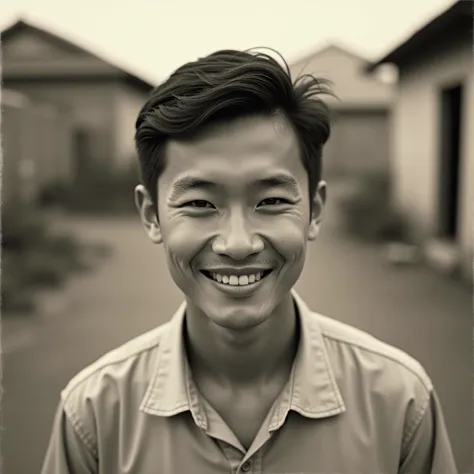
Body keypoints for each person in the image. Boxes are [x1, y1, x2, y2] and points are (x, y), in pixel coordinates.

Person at [42, 48, 457, 474]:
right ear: (152, 215)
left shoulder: (400, 403)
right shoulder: (94, 415)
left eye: (272, 200)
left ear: (314, 210)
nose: (238, 244)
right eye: (201, 202)